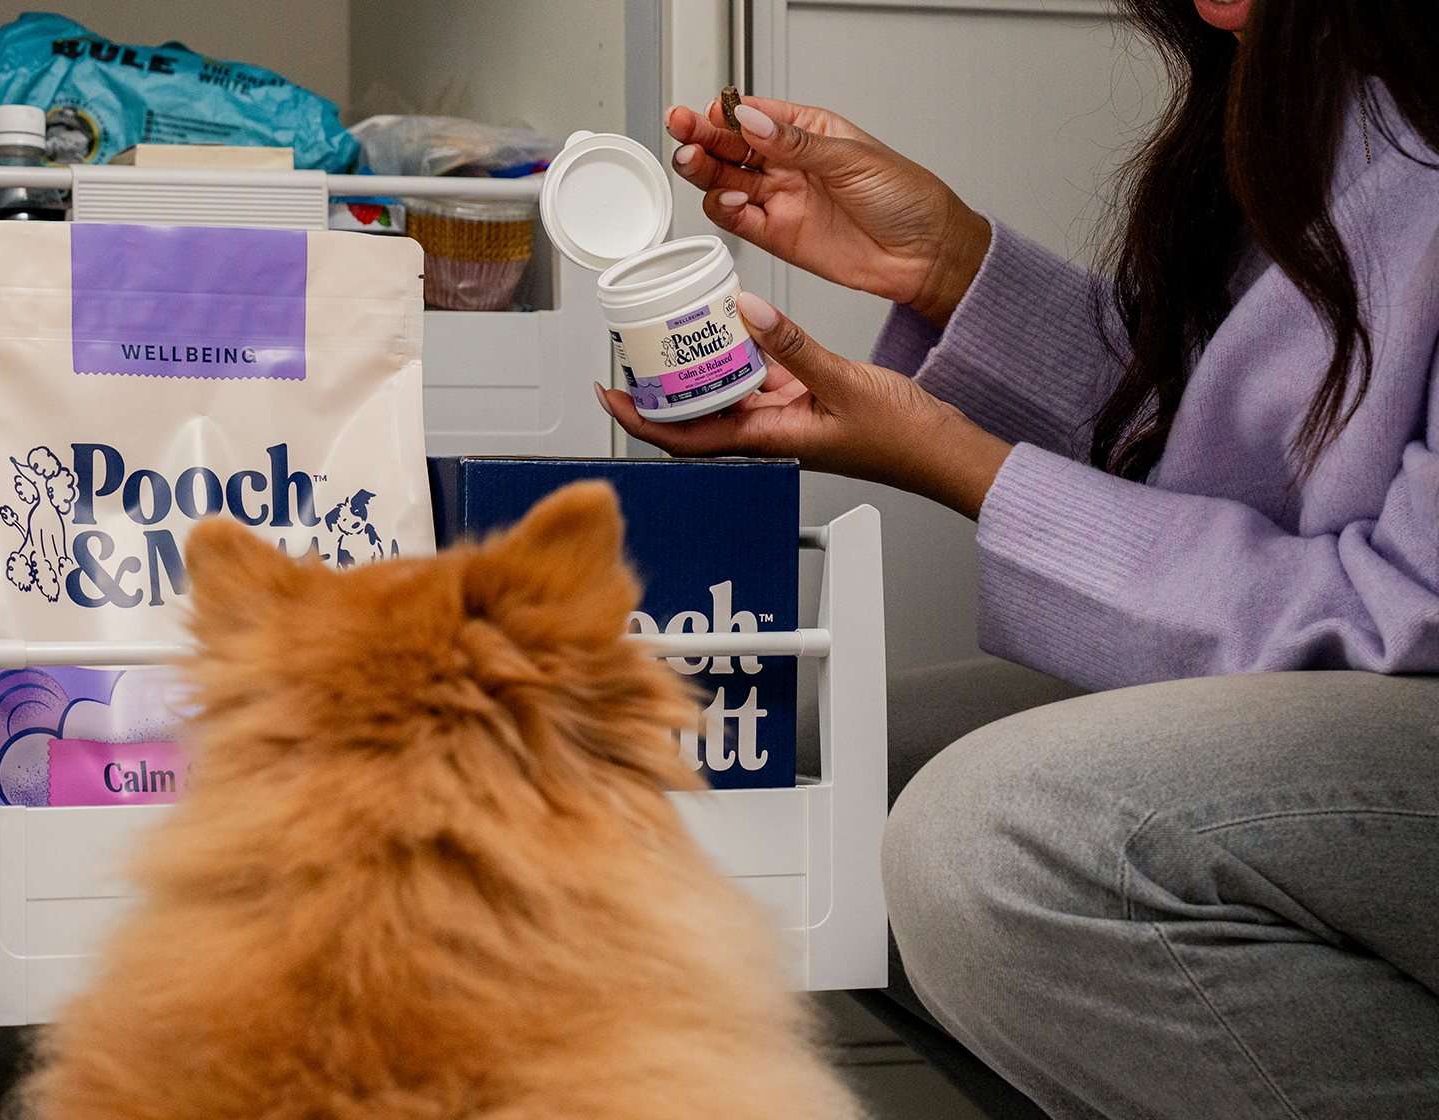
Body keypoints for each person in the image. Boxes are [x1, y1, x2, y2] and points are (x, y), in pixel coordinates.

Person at [594, 0, 1439, 1116]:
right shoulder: (1328, 81)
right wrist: (944, 263)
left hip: (1400, 671)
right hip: (1345, 671)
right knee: (780, 765)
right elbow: (1225, 447)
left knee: (994, 843)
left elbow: (1399, 615)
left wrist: (959, 462)